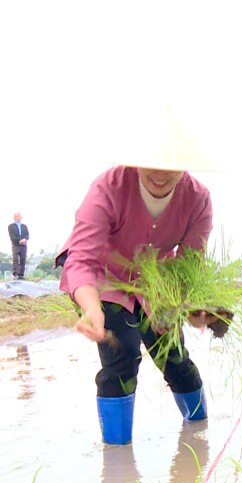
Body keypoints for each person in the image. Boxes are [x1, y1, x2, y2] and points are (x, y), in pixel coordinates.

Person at [57, 109, 217, 445]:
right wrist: (90, 307)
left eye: (170, 164)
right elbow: (82, 258)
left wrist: (186, 306)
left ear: (185, 163)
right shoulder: (108, 188)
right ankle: (117, 462)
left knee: (173, 358)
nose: (159, 173)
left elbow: (188, 265)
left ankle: (200, 433)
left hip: (157, 284)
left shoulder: (197, 199)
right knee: (121, 357)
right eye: (150, 161)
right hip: (105, 280)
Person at [8, 212, 28, 280]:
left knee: (23, 259)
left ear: (21, 217)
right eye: (16, 216)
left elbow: (27, 235)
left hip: (24, 245)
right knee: (15, 259)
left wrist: (24, 239)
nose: (17, 217)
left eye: (19, 216)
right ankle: (15, 274)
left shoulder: (24, 226)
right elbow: (12, 236)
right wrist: (20, 240)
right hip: (15, 245)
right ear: (14, 217)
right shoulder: (11, 226)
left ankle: (21, 275)